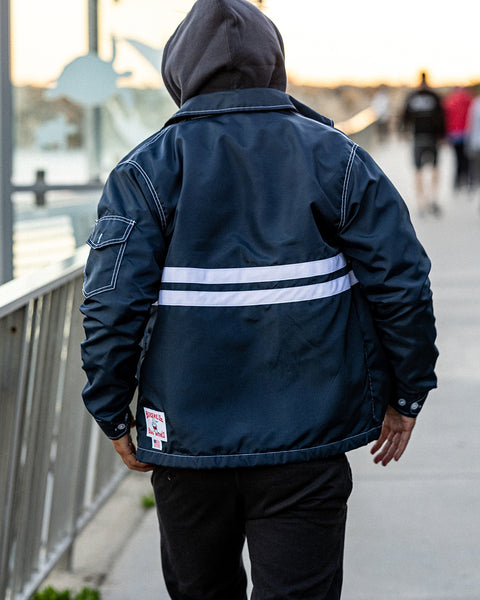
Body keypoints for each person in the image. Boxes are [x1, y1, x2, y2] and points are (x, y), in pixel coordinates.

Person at [80, 1, 438, 599]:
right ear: (275, 64)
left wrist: (111, 407)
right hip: (308, 436)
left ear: (179, 72)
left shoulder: (145, 169)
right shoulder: (337, 156)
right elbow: (401, 280)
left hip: (186, 442)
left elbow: (113, 304)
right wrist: (406, 391)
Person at [402, 71, 445, 216]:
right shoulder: (434, 96)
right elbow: (441, 117)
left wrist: (404, 132)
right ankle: (432, 199)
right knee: (433, 169)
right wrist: (442, 135)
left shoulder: (412, 97)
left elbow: (405, 117)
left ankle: (422, 203)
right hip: (431, 137)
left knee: (419, 170)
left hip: (418, 137)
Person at [443, 86, 473, 190]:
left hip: (454, 135)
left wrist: (446, 135)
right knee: (466, 159)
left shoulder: (449, 101)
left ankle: (457, 181)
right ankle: (467, 181)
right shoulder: (469, 100)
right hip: (466, 134)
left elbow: (446, 118)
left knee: (457, 159)